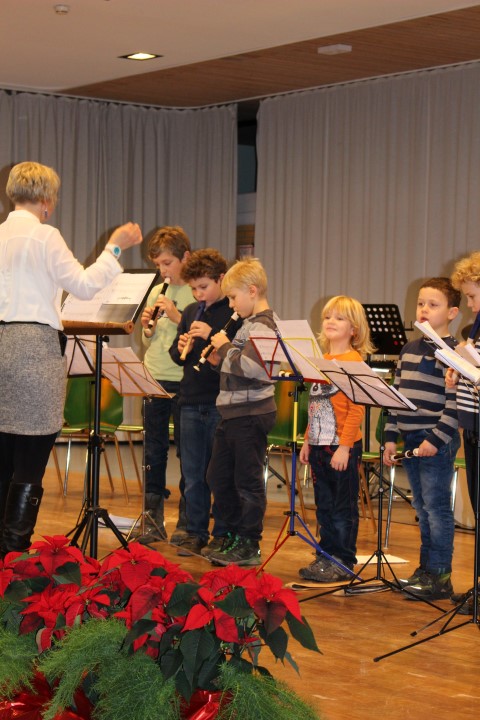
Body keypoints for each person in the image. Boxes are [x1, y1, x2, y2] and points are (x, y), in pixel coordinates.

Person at [0, 160, 142, 557]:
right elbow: (84, 284)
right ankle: (13, 556)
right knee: (31, 456)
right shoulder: (45, 236)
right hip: (34, 348)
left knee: (3, 455)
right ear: (47, 199)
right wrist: (115, 246)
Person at [383, 277, 461, 601]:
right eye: (420, 303)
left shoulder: (453, 353)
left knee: (437, 508)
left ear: (452, 312)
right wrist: (390, 436)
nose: (424, 309)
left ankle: (440, 575)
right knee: (422, 507)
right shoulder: (408, 349)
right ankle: (425, 570)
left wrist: (436, 439)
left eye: (433, 304)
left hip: (434, 440)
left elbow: (455, 406)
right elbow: (395, 397)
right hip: (411, 438)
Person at [204, 257, 277, 566]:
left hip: (250, 412)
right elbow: (237, 366)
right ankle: (234, 534)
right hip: (233, 412)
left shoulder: (265, 325)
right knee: (218, 476)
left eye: (233, 297)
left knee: (247, 481)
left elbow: (254, 369)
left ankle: (249, 542)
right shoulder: (248, 324)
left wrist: (224, 347)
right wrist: (218, 359)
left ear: (252, 290)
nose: (231, 305)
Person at [168, 249, 241, 557]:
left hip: (218, 402)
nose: (198, 294)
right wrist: (182, 345)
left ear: (221, 280)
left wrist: (211, 334)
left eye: (203, 287)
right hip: (189, 400)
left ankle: (222, 533)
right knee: (193, 473)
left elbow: (235, 358)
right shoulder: (189, 312)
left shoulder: (233, 314)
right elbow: (177, 356)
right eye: (194, 288)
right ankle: (194, 531)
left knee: (219, 474)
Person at [298, 296, 374, 583]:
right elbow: (315, 405)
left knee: (342, 507)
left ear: (354, 329)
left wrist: (345, 446)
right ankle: (325, 555)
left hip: (342, 447)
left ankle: (343, 560)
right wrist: (308, 440)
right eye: (328, 316)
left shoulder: (354, 363)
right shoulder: (322, 361)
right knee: (325, 505)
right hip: (319, 444)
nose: (331, 322)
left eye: (339, 318)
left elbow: (357, 409)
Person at [137, 226, 194, 544]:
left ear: (186, 257)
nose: (163, 271)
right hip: (154, 375)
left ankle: (188, 523)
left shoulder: (197, 290)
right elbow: (149, 337)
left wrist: (176, 316)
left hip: (185, 380)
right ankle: (152, 520)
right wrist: (147, 327)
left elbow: (199, 334)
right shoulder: (158, 290)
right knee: (153, 451)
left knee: (189, 452)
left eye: (168, 263)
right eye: (159, 265)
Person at [447, 253, 480, 613]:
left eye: (472, 295)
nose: (469, 304)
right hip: (473, 425)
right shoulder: (477, 326)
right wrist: (458, 372)